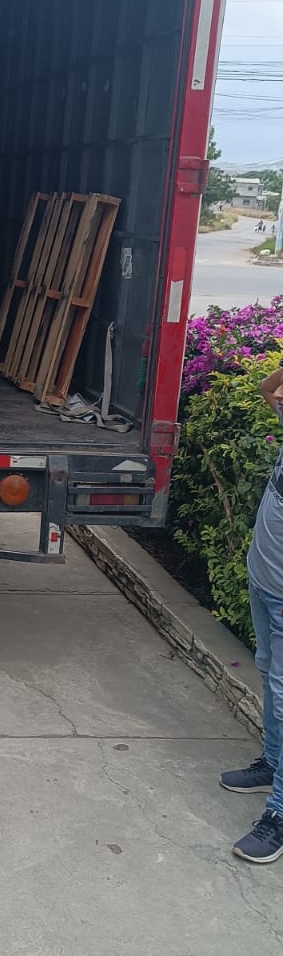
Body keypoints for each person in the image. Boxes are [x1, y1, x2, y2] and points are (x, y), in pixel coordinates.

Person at [220, 361, 283, 862]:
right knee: (268, 678)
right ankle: (272, 764)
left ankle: (278, 815)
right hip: (264, 581)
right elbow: (268, 388)